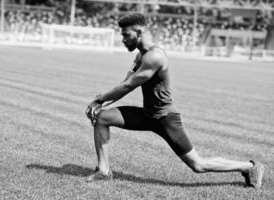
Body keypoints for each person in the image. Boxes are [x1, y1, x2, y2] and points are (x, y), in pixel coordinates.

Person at [85, 13, 264, 188]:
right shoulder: (140, 55)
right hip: (148, 114)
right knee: (102, 118)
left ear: (139, 32)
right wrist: (101, 104)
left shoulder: (154, 57)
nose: (122, 39)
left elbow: (128, 86)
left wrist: (99, 100)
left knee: (198, 165)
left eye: (126, 35)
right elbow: (125, 83)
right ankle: (103, 171)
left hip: (165, 119)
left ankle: (249, 167)